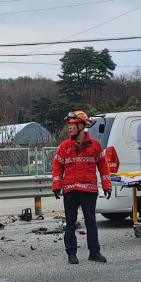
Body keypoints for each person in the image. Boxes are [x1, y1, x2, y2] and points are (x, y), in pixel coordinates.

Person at [52, 111, 111, 264]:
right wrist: (57, 185)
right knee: (70, 222)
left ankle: (95, 252)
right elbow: (57, 167)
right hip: (70, 190)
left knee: (91, 222)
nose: (69, 128)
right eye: (69, 125)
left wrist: (107, 185)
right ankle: (71, 254)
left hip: (88, 190)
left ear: (81, 126)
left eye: (72, 125)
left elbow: (104, 167)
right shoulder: (64, 147)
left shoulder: (95, 145)